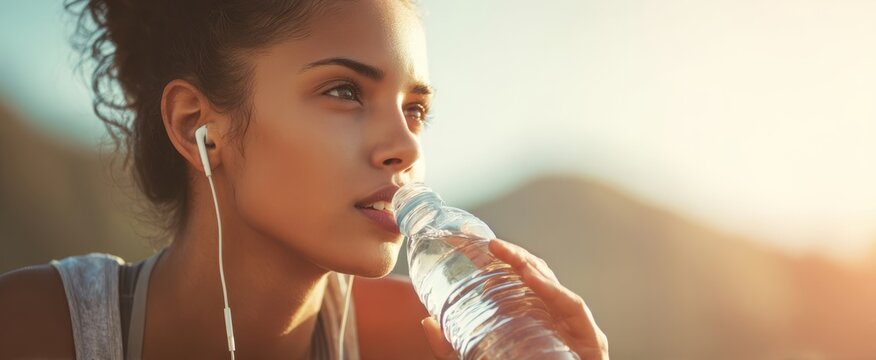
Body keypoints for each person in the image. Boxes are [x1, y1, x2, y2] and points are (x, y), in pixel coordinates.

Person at [0, 0, 609, 358]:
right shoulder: (31, 330)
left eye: (414, 109)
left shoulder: (423, 343)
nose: (405, 146)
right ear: (197, 127)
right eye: (344, 91)